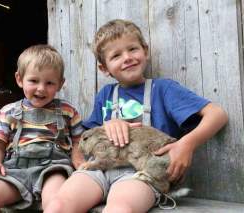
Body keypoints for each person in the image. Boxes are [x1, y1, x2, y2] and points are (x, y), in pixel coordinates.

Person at [44, 19, 228, 213]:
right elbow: (86, 136)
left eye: (132, 49)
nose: (127, 57)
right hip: (100, 169)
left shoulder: (163, 89)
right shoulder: (106, 94)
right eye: (116, 55)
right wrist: (108, 125)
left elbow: (218, 114)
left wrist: (186, 144)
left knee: (119, 209)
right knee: (58, 205)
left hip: (140, 174)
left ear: (145, 51)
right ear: (104, 68)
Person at [0, 44, 85, 213]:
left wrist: (77, 160)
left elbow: (79, 139)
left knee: (55, 202)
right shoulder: (8, 111)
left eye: (49, 83)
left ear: (60, 84)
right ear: (19, 79)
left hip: (53, 169)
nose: (41, 88)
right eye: (33, 81)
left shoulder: (67, 110)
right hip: (15, 170)